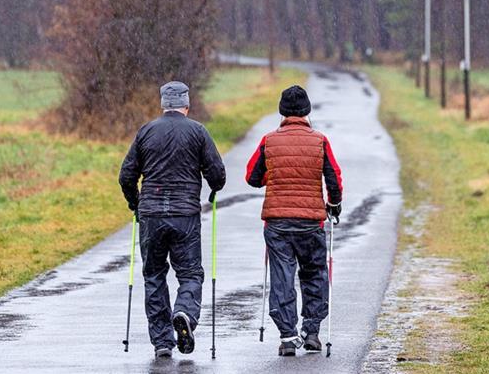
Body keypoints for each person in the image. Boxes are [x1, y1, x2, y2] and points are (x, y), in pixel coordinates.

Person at [119, 81, 226, 358]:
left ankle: (162, 342)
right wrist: (212, 186)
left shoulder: (146, 131)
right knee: (190, 273)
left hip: (152, 216)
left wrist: (136, 203)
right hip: (185, 216)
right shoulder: (197, 132)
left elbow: (126, 175)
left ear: (163, 104)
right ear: (187, 106)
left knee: (154, 275)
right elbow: (218, 175)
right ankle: (185, 313)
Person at [245, 85, 343, 356]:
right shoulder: (320, 140)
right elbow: (333, 177)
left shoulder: (268, 140)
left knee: (282, 276)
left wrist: (274, 176)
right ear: (307, 111)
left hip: (277, 223)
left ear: (282, 111)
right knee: (314, 273)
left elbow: (252, 177)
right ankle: (311, 331)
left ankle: (287, 335)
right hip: (311, 222)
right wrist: (334, 204)